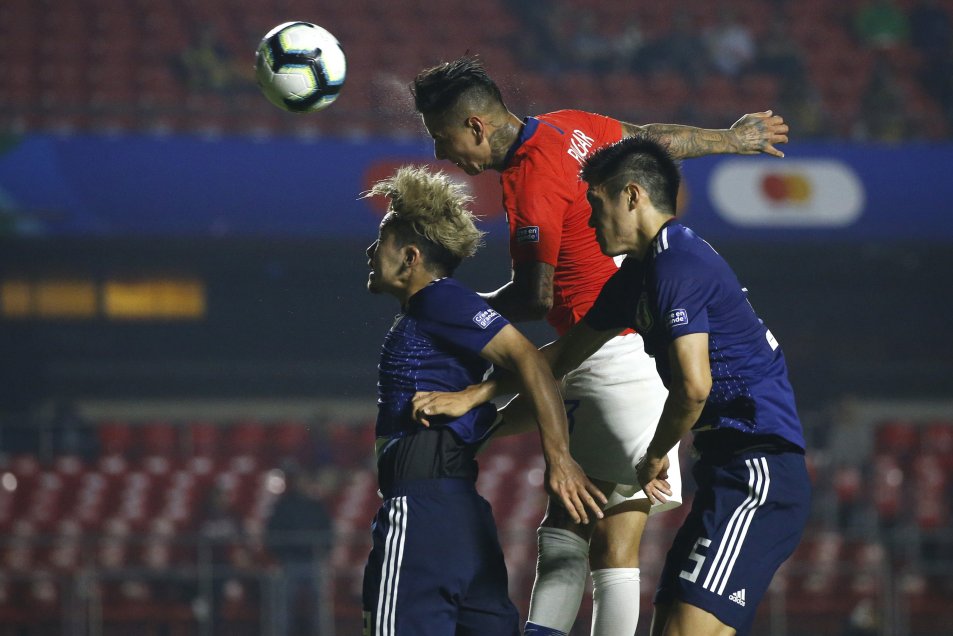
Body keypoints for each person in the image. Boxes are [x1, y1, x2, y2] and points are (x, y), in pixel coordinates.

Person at [410, 55, 789, 636]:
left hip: (618, 357)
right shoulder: (567, 125)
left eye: (442, 138)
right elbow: (649, 140)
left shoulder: (532, 181)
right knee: (572, 531)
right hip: (600, 349)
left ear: (476, 127)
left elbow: (535, 298)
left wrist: (451, 309)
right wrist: (728, 139)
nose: (442, 155)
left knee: (608, 540)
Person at [359, 165, 605, 636]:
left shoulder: (438, 300)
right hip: (460, 514)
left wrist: (559, 459)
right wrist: (477, 398)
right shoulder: (445, 308)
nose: (370, 251)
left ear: (411, 256)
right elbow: (534, 369)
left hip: (421, 505)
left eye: (381, 240)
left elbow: (530, 361)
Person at [265, 464, 334, 636]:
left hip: (313, 561)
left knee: (320, 607)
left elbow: (328, 531)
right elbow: (272, 532)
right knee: (283, 607)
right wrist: (281, 555)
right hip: (290, 562)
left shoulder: (317, 506)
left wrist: (323, 552)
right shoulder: (284, 505)